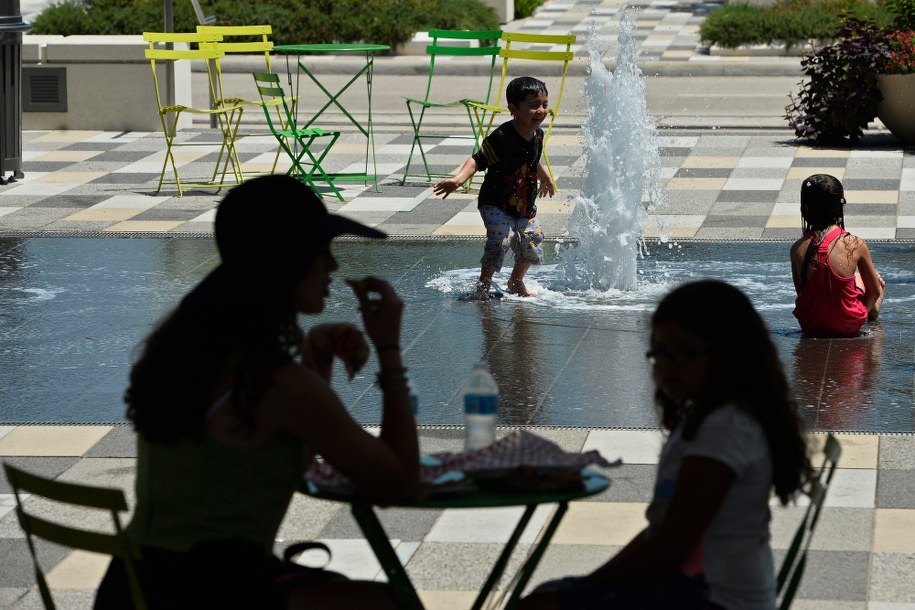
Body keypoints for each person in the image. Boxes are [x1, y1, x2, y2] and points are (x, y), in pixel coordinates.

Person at [94, 175, 419, 610]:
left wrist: (315, 355)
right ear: (287, 262)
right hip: (211, 595)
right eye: (321, 253)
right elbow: (400, 482)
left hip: (135, 585)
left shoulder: (183, 343)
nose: (334, 267)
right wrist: (389, 348)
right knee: (388, 603)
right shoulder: (278, 383)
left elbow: (291, 460)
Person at [519, 280, 812, 610]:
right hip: (693, 589)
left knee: (542, 604)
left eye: (685, 352)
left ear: (728, 354)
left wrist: (588, 585)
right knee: (548, 597)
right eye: (660, 351)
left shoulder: (725, 429)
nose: (668, 365)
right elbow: (661, 531)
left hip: (717, 600)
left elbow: (672, 543)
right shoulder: (703, 416)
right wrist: (590, 582)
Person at [432, 76, 556, 300]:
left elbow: (532, 160)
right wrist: (458, 180)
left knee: (533, 239)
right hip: (495, 202)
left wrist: (545, 177)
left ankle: (516, 280)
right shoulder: (502, 137)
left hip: (523, 203)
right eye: (533, 105)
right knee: (501, 240)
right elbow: (477, 160)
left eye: (544, 104)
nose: (541, 110)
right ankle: (483, 285)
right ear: (513, 108)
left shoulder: (537, 134)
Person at [790, 173, 885, 337]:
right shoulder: (855, 244)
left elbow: (802, 292)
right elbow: (874, 291)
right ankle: (872, 311)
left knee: (846, 278)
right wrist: (860, 315)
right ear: (839, 206)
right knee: (874, 280)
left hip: (810, 324)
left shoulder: (797, 248)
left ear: (805, 208)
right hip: (848, 325)